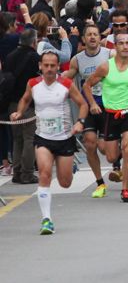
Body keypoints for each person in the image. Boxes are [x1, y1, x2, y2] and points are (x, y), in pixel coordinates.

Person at [10, 51, 89, 234]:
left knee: (65, 182)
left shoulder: (66, 84)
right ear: (40, 66)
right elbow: (25, 99)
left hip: (64, 138)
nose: (49, 69)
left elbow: (82, 104)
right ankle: (47, 220)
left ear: (58, 67)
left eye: (53, 65)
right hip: (43, 137)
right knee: (45, 173)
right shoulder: (33, 84)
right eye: (46, 65)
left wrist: (80, 122)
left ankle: (70, 169)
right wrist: (19, 112)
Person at [82, 32, 128, 202]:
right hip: (110, 114)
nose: (126, 46)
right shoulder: (106, 67)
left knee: (126, 149)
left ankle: (125, 190)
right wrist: (92, 104)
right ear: (115, 46)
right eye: (121, 43)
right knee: (111, 156)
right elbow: (87, 85)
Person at [63, 24, 111, 197]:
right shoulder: (77, 59)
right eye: (88, 34)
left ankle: (117, 163)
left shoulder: (109, 55)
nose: (92, 37)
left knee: (105, 149)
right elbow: (69, 74)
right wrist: (52, 78)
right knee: (90, 144)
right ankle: (100, 183)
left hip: (107, 105)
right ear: (83, 38)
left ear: (100, 38)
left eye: (95, 34)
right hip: (88, 105)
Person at [6, 28, 41, 183]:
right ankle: (27, 173)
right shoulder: (35, 57)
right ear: (34, 42)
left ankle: (17, 172)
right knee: (29, 138)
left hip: (12, 103)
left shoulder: (10, 56)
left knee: (17, 139)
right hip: (28, 103)